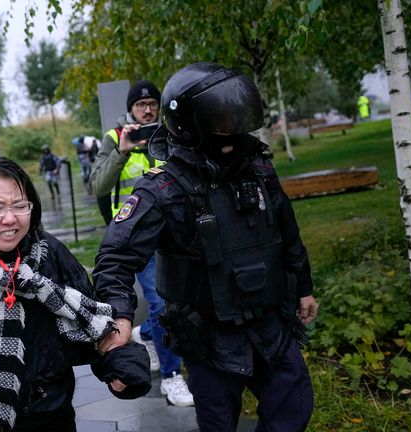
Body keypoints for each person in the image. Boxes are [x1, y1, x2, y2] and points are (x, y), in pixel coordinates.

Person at [93, 62, 319, 431]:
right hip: (208, 339)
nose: (233, 123)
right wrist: (118, 317)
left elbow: (286, 231)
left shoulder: (257, 168)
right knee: (219, 424)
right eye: (222, 117)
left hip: (270, 324)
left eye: (236, 113)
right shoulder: (163, 189)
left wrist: (303, 287)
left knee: (293, 408)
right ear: (192, 123)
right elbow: (114, 257)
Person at [0, 157, 150, 431]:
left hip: (51, 413)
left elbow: (90, 321)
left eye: (20, 206)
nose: (10, 219)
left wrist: (121, 366)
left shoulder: (49, 253)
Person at [89, 79, 194, 407]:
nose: (147, 109)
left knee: (172, 304)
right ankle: (172, 376)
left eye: (152, 104)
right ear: (130, 109)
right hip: (132, 236)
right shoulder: (113, 139)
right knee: (161, 304)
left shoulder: (171, 133)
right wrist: (122, 152)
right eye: (140, 105)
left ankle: (149, 336)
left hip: (170, 235)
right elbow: (98, 186)